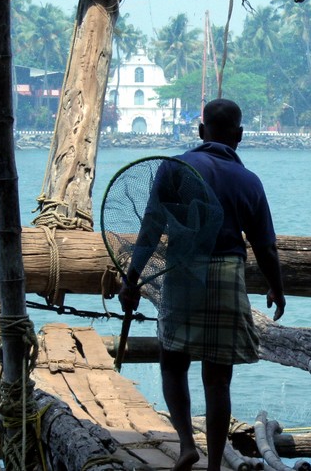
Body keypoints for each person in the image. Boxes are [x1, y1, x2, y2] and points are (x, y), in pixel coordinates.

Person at [120, 98, 286, 471]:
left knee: (173, 363)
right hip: (228, 271)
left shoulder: (176, 167)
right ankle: (213, 467)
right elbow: (266, 246)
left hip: (184, 271)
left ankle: (185, 446)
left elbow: (151, 228)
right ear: (240, 136)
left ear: (200, 131)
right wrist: (277, 287)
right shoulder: (249, 181)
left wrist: (132, 278)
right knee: (217, 378)